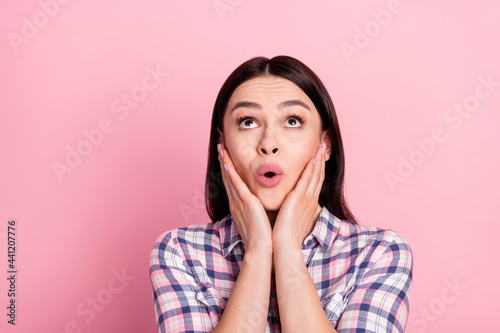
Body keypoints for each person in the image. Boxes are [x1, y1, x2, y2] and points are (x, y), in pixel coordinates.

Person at [149, 55, 413, 333]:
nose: (269, 144)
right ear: (221, 144)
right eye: (248, 121)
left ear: (325, 145)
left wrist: (287, 247)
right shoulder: (179, 251)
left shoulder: (379, 253)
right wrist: (258, 252)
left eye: (292, 121)